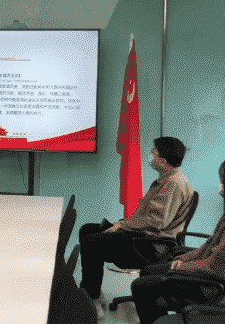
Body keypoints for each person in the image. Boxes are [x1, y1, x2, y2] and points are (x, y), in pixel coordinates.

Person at [131, 155, 225, 324]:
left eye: (222, 180)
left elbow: (219, 268)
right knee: (149, 274)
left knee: (141, 286)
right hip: (210, 279)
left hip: (211, 286)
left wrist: (182, 266)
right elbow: (207, 249)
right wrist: (183, 259)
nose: (220, 184)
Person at [78, 136, 194, 319]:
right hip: (142, 235)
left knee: (91, 242)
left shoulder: (173, 184)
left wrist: (122, 225)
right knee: (87, 230)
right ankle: (94, 293)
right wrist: (121, 224)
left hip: (150, 244)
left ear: (163, 162)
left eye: (154, 152)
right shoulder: (168, 180)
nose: (150, 155)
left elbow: (156, 221)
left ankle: (91, 300)